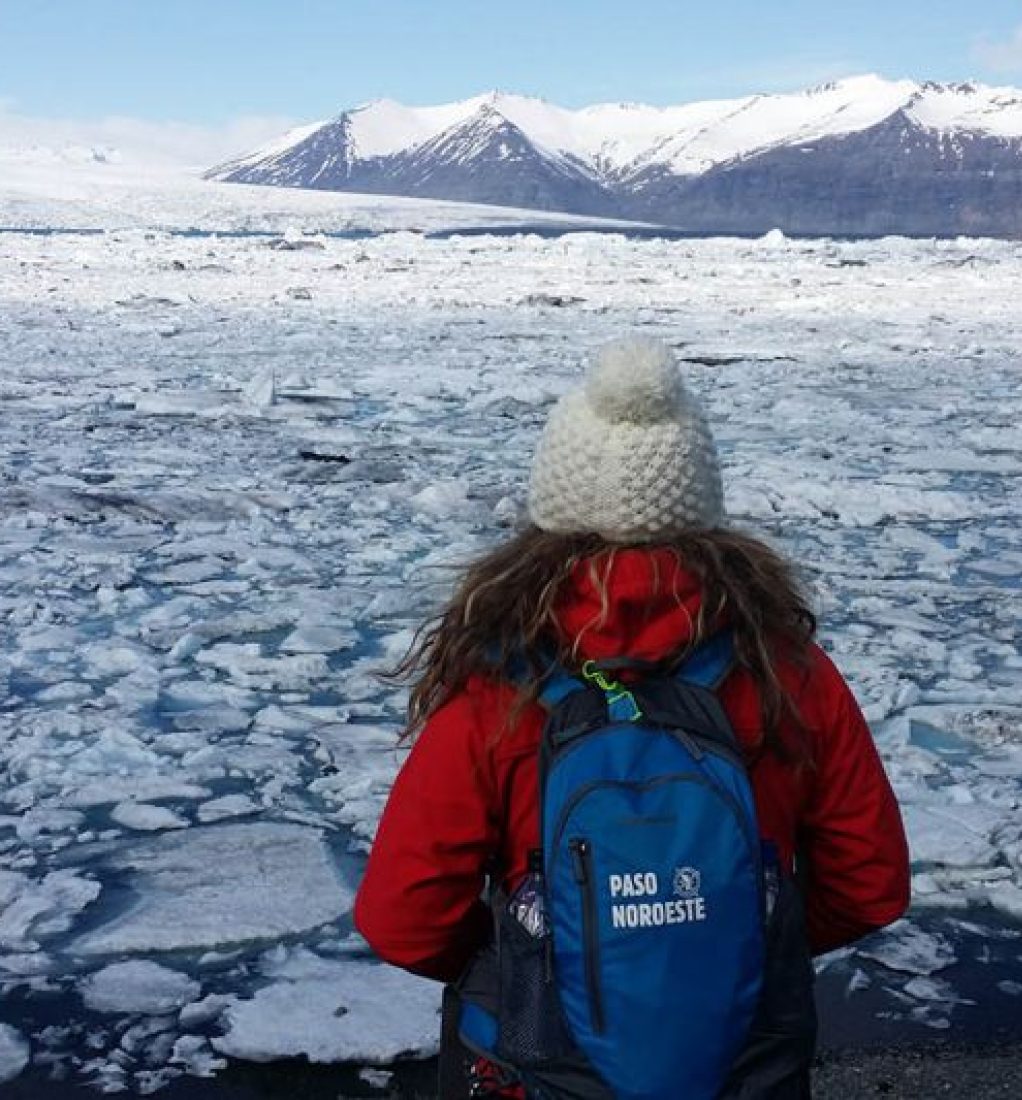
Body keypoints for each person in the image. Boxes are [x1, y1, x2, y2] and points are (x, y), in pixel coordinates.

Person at [355, 336, 910, 1099]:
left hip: (544, 1072)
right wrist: (720, 957)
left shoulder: (499, 687)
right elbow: (869, 882)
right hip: (742, 1067)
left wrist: (538, 964)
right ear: (701, 501)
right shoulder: (788, 672)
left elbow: (403, 915)